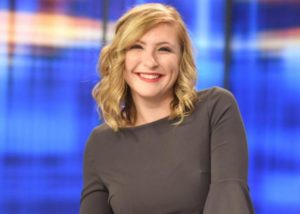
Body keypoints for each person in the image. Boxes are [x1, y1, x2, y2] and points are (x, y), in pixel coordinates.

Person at [80, 3, 254, 214]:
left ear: (181, 61)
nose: (150, 62)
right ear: (120, 59)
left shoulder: (215, 108)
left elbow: (230, 200)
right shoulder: (101, 143)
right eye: (137, 46)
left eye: (164, 49)